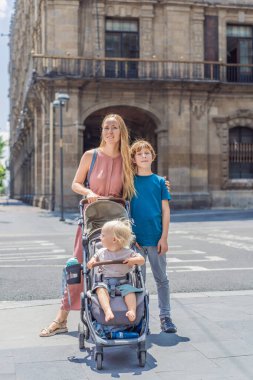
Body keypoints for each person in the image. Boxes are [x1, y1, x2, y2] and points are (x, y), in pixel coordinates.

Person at [40, 113, 135, 337]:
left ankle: (124, 314)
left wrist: (161, 184)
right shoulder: (90, 156)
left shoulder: (127, 159)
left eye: (114, 127)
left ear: (121, 131)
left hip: (118, 221)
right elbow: (75, 183)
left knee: (124, 266)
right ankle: (61, 319)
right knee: (79, 267)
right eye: (106, 128)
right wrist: (89, 192)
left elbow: (141, 176)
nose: (110, 132)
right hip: (92, 218)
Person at [130, 140, 177, 333]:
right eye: (139, 154)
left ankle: (165, 317)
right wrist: (131, 239)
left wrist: (164, 238)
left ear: (153, 156)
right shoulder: (129, 181)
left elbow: (165, 211)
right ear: (133, 159)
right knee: (138, 281)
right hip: (136, 242)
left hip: (156, 238)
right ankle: (142, 319)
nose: (143, 156)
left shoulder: (159, 182)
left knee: (162, 279)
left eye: (147, 153)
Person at [87, 220, 145, 322]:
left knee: (130, 292)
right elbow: (93, 260)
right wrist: (91, 262)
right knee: (100, 290)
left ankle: (132, 311)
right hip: (105, 282)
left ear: (114, 239)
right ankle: (107, 310)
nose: (100, 237)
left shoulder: (128, 252)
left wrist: (133, 260)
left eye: (103, 235)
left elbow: (141, 260)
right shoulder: (101, 252)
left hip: (124, 283)